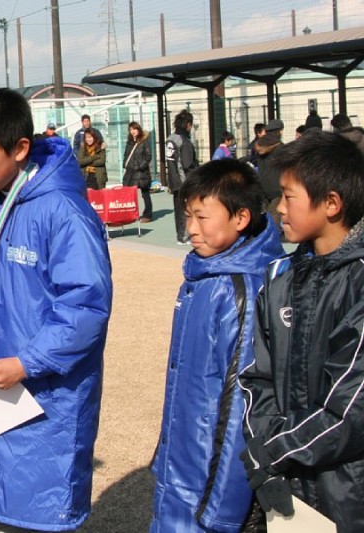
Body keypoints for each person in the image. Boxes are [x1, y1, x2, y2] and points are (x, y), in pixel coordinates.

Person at [0, 84, 112, 532]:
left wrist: (26, 363)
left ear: (19, 149)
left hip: (47, 397)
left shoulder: (64, 211)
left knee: (39, 516)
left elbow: (86, 306)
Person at [239, 131, 364, 531]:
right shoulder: (280, 277)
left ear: (332, 203)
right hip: (285, 485)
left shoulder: (359, 282)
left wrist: (271, 452)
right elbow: (256, 377)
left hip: (347, 492)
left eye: (289, 196)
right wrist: (265, 451)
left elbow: (350, 412)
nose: (278, 207)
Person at [150, 159, 284, 532]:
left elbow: (241, 404)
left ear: (241, 218)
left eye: (201, 217)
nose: (191, 229)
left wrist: (221, 510)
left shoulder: (242, 290)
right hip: (186, 465)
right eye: (187, 216)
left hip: (208, 480)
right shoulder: (205, 275)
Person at [166, 109, 198, 244]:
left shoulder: (171, 139)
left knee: (178, 209)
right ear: (188, 125)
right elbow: (187, 164)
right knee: (186, 209)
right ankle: (184, 236)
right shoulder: (184, 142)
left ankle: (180, 236)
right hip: (184, 181)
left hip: (173, 179)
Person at [255, 119, 285, 230]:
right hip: (277, 187)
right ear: (279, 131)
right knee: (274, 217)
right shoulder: (281, 148)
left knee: (265, 216)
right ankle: (272, 236)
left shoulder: (259, 146)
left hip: (262, 185)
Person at [123, 121, 154, 222]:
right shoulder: (129, 142)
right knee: (129, 194)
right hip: (130, 172)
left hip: (141, 173)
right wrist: (125, 164)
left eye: (134, 129)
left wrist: (140, 166)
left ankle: (148, 215)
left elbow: (148, 156)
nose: (133, 131)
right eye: (131, 129)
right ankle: (130, 214)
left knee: (145, 194)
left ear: (139, 129)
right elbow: (126, 154)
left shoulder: (144, 141)